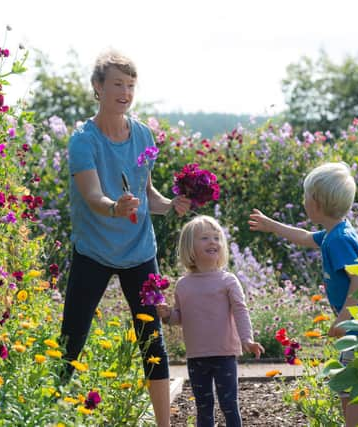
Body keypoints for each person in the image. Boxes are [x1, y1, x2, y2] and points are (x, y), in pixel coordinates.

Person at [58, 50, 190, 427]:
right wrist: (115, 207)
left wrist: (171, 205)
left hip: (139, 252)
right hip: (93, 251)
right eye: (117, 84)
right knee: (72, 338)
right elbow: (93, 195)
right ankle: (47, 413)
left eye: (130, 85)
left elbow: (148, 195)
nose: (125, 92)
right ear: (98, 87)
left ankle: (164, 424)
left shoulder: (143, 134)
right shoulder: (84, 140)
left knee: (152, 339)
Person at [248, 162, 358, 427]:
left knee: (354, 387)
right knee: (348, 386)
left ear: (317, 202)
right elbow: (303, 237)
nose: (304, 202)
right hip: (355, 328)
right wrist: (271, 225)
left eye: (306, 196)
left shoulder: (339, 240)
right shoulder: (333, 233)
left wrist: (345, 318)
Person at [156, 215, 264, 427]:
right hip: (197, 357)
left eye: (216, 237)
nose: (213, 242)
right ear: (190, 247)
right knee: (203, 407)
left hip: (225, 354)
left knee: (229, 405)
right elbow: (180, 317)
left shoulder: (227, 281)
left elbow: (241, 311)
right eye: (205, 238)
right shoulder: (183, 285)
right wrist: (167, 315)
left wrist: (247, 340)